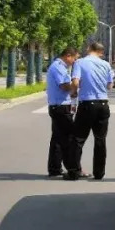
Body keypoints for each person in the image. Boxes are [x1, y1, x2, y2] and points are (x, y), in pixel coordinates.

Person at [68, 41, 114, 180]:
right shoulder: (106, 65)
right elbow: (110, 85)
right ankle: (99, 173)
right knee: (100, 139)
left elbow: (75, 82)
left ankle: (74, 171)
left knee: (78, 138)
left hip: (87, 104)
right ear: (100, 52)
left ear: (89, 49)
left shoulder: (80, 63)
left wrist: (74, 93)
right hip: (103, 104)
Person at [46, 47, 79, 178]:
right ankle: (73, 168)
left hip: (58, 106)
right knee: (70, 137)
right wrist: (76, 86)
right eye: (74, 59)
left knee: (57, 139)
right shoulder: (59, 67)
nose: (75, 62)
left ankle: (54, 168)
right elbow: (64, 86)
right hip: (61, 107)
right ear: (68, 56)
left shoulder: (59, 66)